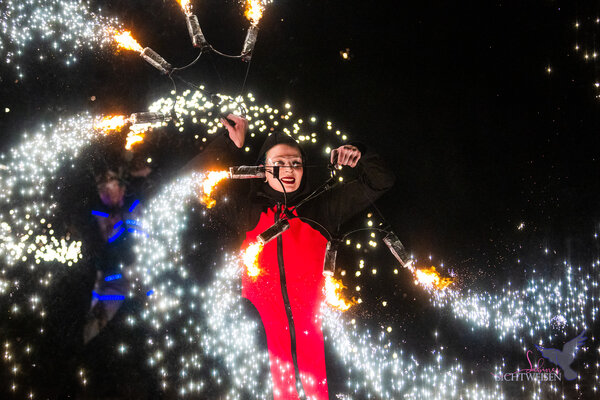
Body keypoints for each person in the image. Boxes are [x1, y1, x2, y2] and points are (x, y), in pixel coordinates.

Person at [188, 114, 394, 399]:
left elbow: (380, 181)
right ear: (261, 170)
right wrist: (228, 144)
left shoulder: (322, 210)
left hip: (319, 342)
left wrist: (359, 154)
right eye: (280, 163)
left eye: (296, 163)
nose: (289, 169)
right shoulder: (247, 213)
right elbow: (195, 183)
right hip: (263, 342)